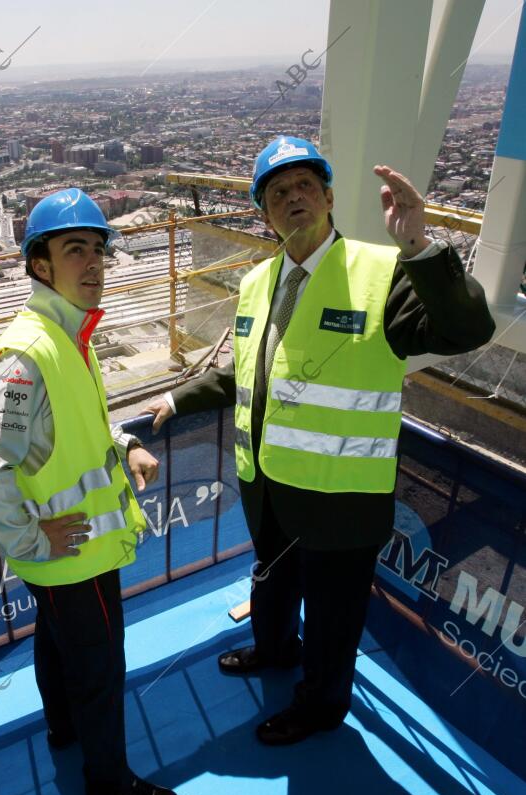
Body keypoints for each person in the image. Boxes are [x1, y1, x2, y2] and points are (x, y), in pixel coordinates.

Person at [142, 136, 496, 746]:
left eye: (305, 185)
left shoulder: (381, 273)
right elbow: (251, 370)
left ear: (329, 198)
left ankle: (321, 708)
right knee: (271, 584)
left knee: (334, 616)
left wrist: (417, 245)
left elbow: (468, 329)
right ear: (265, 214)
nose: (293, 197)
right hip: (268, 485)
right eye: (277, 192)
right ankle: (275, 652)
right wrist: (178, 398)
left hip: (341, 498)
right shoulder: (258, 283)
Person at [0, 188, 179, 795]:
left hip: (64, 556)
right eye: (74, 249)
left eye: (98, 250)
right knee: (101, 671)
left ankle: (62, 731)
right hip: (73, 552)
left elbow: (77, 420)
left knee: (57, 643)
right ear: (41, 265)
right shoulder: (26, 358)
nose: (93, 264)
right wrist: (31, 536)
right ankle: (110, 785)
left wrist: (125, 441)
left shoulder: (64, 338)